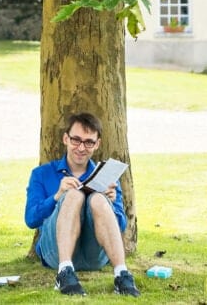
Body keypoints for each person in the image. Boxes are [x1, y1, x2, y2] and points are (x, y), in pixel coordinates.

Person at [25, 112, 141, 297]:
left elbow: (121, 226)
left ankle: (122, 274)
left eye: (88, 142)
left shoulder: (106, 177)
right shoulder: (41, 173)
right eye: (76, 140)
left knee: (97, 199)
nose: (81, 147)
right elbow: (31, 219)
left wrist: (109, 204)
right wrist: (56, 196)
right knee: (73, 196)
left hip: (94, 255)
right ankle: (64, 272)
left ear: (97, 144)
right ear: (65, 139)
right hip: (54, 252)